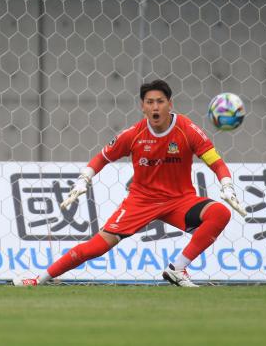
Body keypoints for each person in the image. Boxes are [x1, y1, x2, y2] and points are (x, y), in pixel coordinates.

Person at [13, 79, 246, 287]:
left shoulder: (188, 130)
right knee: (97, 246)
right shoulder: (133, 134)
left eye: (160, 101)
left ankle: (176, 268)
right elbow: (101, 158)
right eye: (150, 102)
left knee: (220, 213)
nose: (155, 107)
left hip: (179, 200)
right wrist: (84, 179)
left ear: (170, 104)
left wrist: (226, 185)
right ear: (142, 106)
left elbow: (216, 162)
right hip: (141, 201)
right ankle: (39, 279)